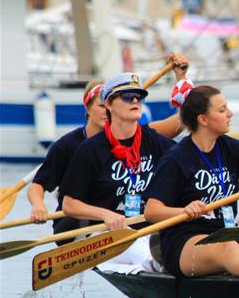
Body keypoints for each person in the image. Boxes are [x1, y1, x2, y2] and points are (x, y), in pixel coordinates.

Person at [144, 85, 239, 278]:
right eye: (222, 110)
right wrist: (184, 211)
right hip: (184, 241)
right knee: (231, 249)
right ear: (203, 119)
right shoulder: (175, 159)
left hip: (225, 233)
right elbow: (151, 211)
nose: (230, 114)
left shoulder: (229, 147)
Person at [27, 55, 189, 236]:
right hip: (86, 220)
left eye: (137, 98)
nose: (105, 112)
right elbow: (40, 186)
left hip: (134, 219)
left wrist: (181, 78)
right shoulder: (72, 147)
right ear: (88, 108)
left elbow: (183, 121)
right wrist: (38, 206)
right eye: (101, 106)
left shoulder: (143, 135)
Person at [59, 73, 176, 242]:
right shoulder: (90, 149)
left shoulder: (155, 141)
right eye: (128, 97)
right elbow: (69, 205)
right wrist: (106, 214)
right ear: (108, 104)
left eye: (139, 97)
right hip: (110, 234)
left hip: (152, 230)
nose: (135, 101)